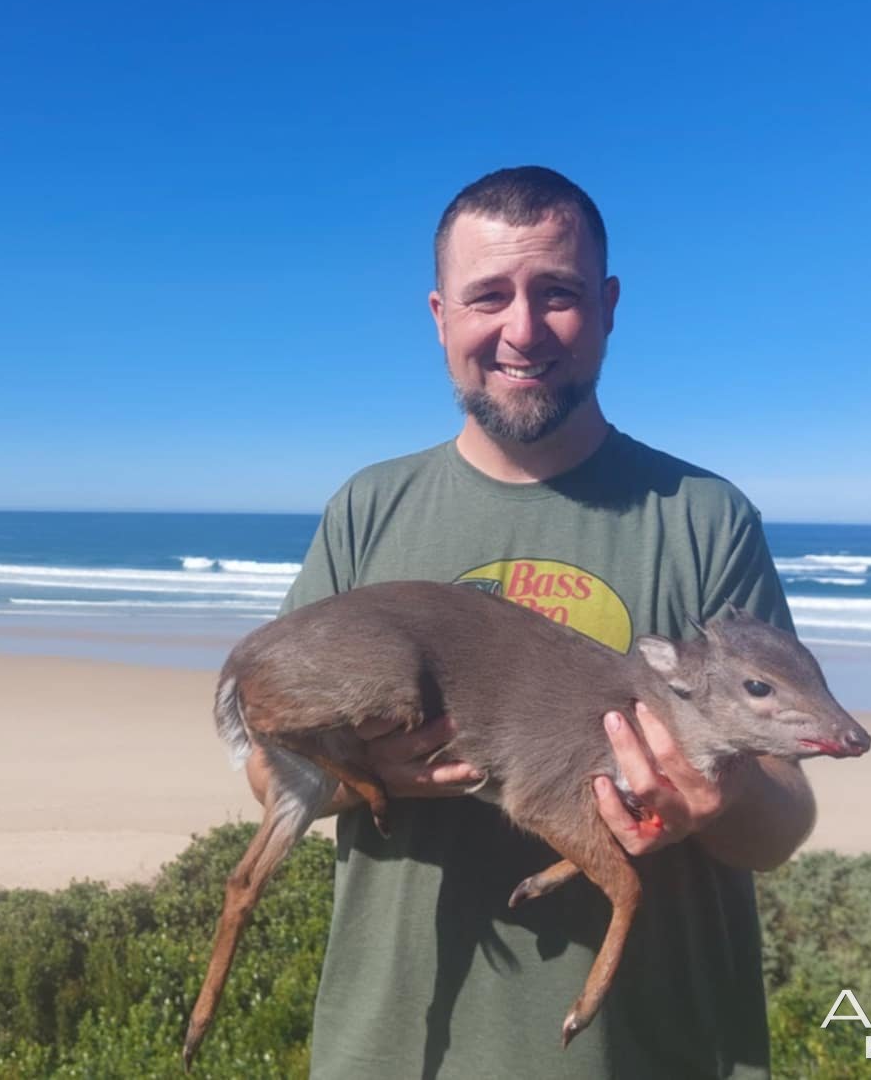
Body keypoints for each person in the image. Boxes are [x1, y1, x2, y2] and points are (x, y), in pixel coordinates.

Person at [245, 166, 816, 1078]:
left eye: (558, 293)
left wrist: (725, 795)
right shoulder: (367, 510)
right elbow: (265, 765)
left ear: (608, 305)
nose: (522, 329)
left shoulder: (704, 518)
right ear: (439, 315)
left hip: (651, 1051)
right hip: (396, 1053)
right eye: (488, 296)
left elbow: (783, 822)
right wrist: (364, 771)